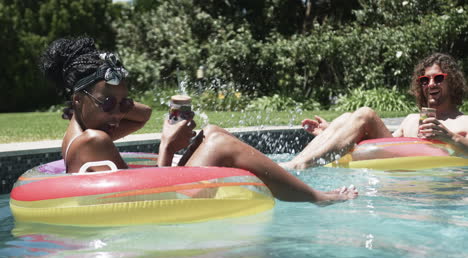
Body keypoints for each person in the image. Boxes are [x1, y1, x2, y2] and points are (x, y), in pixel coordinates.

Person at [40, 36, 357, 204]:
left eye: (124, 101)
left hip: (152, 202)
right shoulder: (95, 140)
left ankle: (300, 186)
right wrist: (167, 146)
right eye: (108, 102)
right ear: (78, 99)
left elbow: (144, 113)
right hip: (158, 213)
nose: (119, 112)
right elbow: (150, 200)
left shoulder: (82, 129)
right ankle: (316, 197)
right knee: (217, 140)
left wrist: (113, 101)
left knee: (211, 131)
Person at [281, 53, 468, 170]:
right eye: (425, 80)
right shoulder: (411, 120)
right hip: (401, 175)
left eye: (438, 78)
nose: (431, 84)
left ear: (452, 82)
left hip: (435, 183)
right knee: (347, 117)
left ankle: (302, 164)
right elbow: (383, 143)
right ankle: (296, 164)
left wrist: (449, 137)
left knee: (366, 113)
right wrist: (334, 130)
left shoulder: (464, 121)